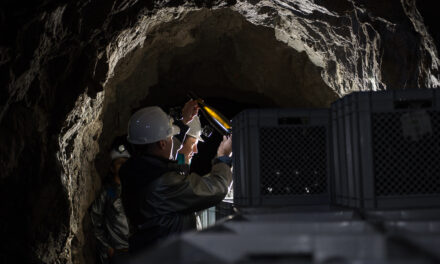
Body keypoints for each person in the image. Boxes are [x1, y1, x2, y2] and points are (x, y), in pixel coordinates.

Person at [119, 101, 233, 254]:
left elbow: (165, 155)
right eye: (170, 137)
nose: (173, 140)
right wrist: (223, 157)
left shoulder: (136, 171)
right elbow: (217, 188)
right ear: (162, 144)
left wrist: (184, 122)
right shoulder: (163, 183)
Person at [89, 136, 131, 264]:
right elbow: (95, 219)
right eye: (119, 163)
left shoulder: (133, 190)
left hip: (134, 250)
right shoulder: (107, 192)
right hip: (116, 253)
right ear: (112, 168)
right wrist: (107, 248)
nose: (123, 165)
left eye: (126, 162)